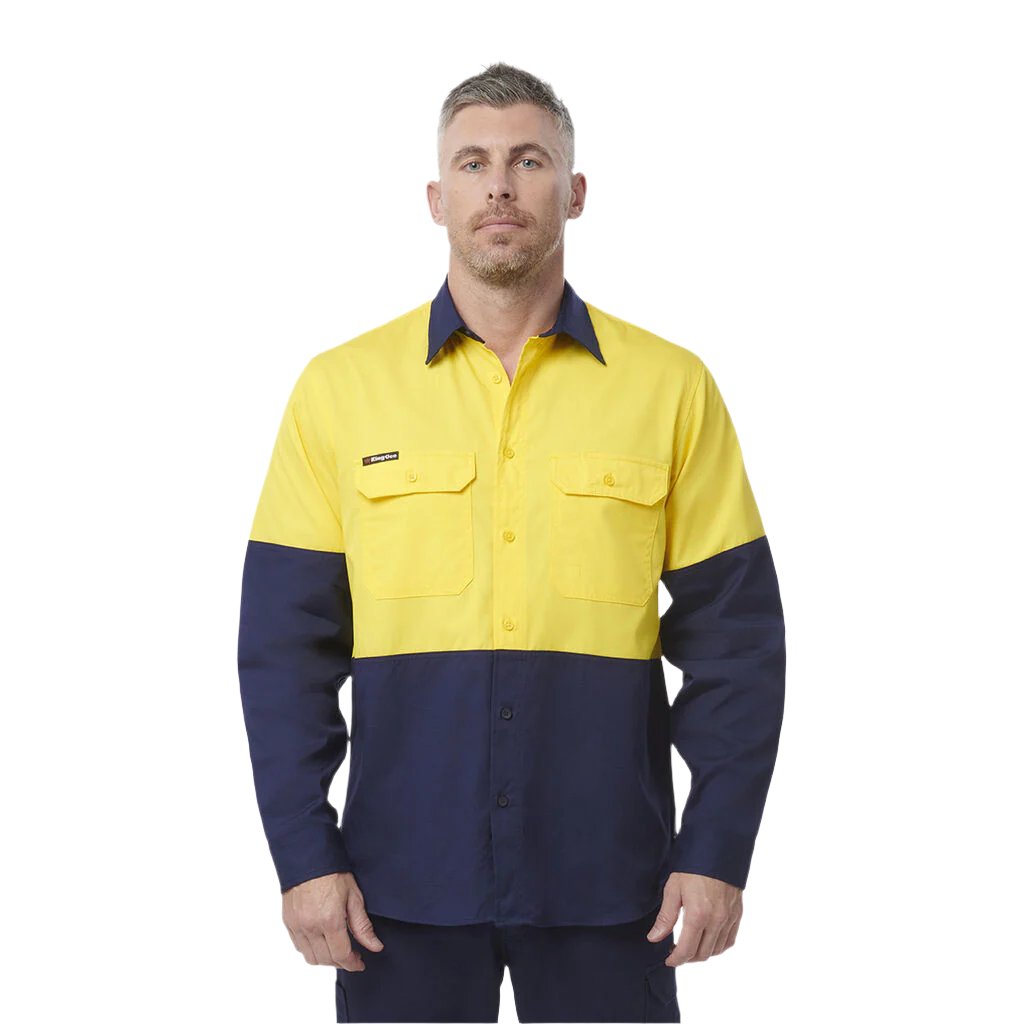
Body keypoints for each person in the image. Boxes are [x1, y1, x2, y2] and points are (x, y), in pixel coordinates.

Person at [237, 61, 786, 1024]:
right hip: (394, 892)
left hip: (611, 887)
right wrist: (303, 856)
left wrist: (716, 850)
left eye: (529, 161)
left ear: (574, 193)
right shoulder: (338, 390)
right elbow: (284, 652)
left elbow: (739, 644)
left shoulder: (670, 387)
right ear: (436, 198)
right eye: (474, 163)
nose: (499, 186)